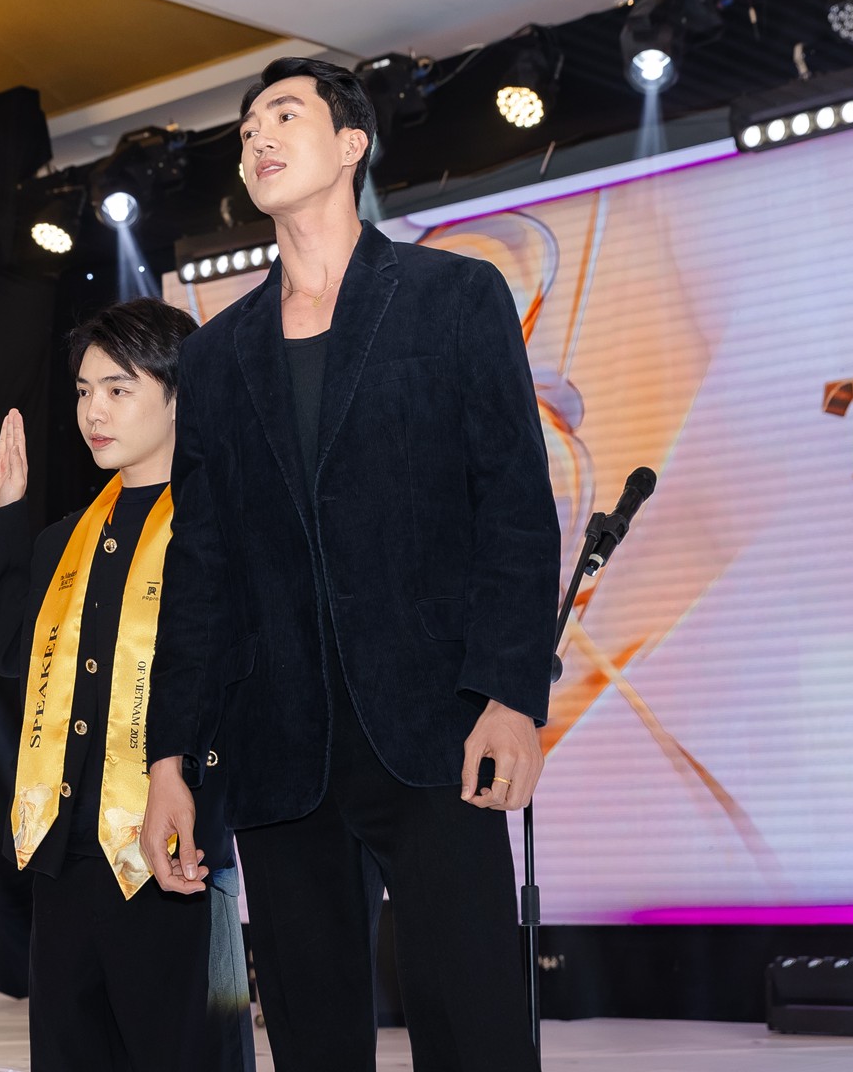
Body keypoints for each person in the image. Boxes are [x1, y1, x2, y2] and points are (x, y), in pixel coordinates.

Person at [140, 57, 561, 1070]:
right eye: (246, 127)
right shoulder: (215, 355)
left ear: (350, 145)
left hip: (434, 727)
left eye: (283, 114)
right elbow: (199, 571)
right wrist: (167, 761)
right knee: (311, 1035)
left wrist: (510, 695)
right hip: (278, 747)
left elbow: (513, 505)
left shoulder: (453, 295)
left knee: (473, 1025)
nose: (257, 135)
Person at [0, 297, 253, 1072]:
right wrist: (3, 520)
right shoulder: (69, 537)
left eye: (119, 389)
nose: (94, 411)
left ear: (180, 395)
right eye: (86, 390)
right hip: (66, 857)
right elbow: (15, 653)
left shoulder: (222, 524)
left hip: (174, 853)